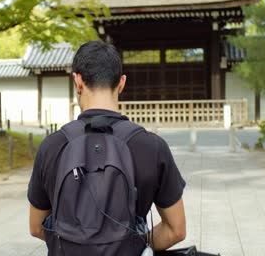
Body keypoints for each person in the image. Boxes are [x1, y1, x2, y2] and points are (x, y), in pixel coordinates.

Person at [27, 40, 186, 254]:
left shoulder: (52, 146)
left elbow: (37, 227)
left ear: (78, 81)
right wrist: (139, 241)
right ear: (121, 83)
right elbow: (176, 230)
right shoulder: (152, 147)